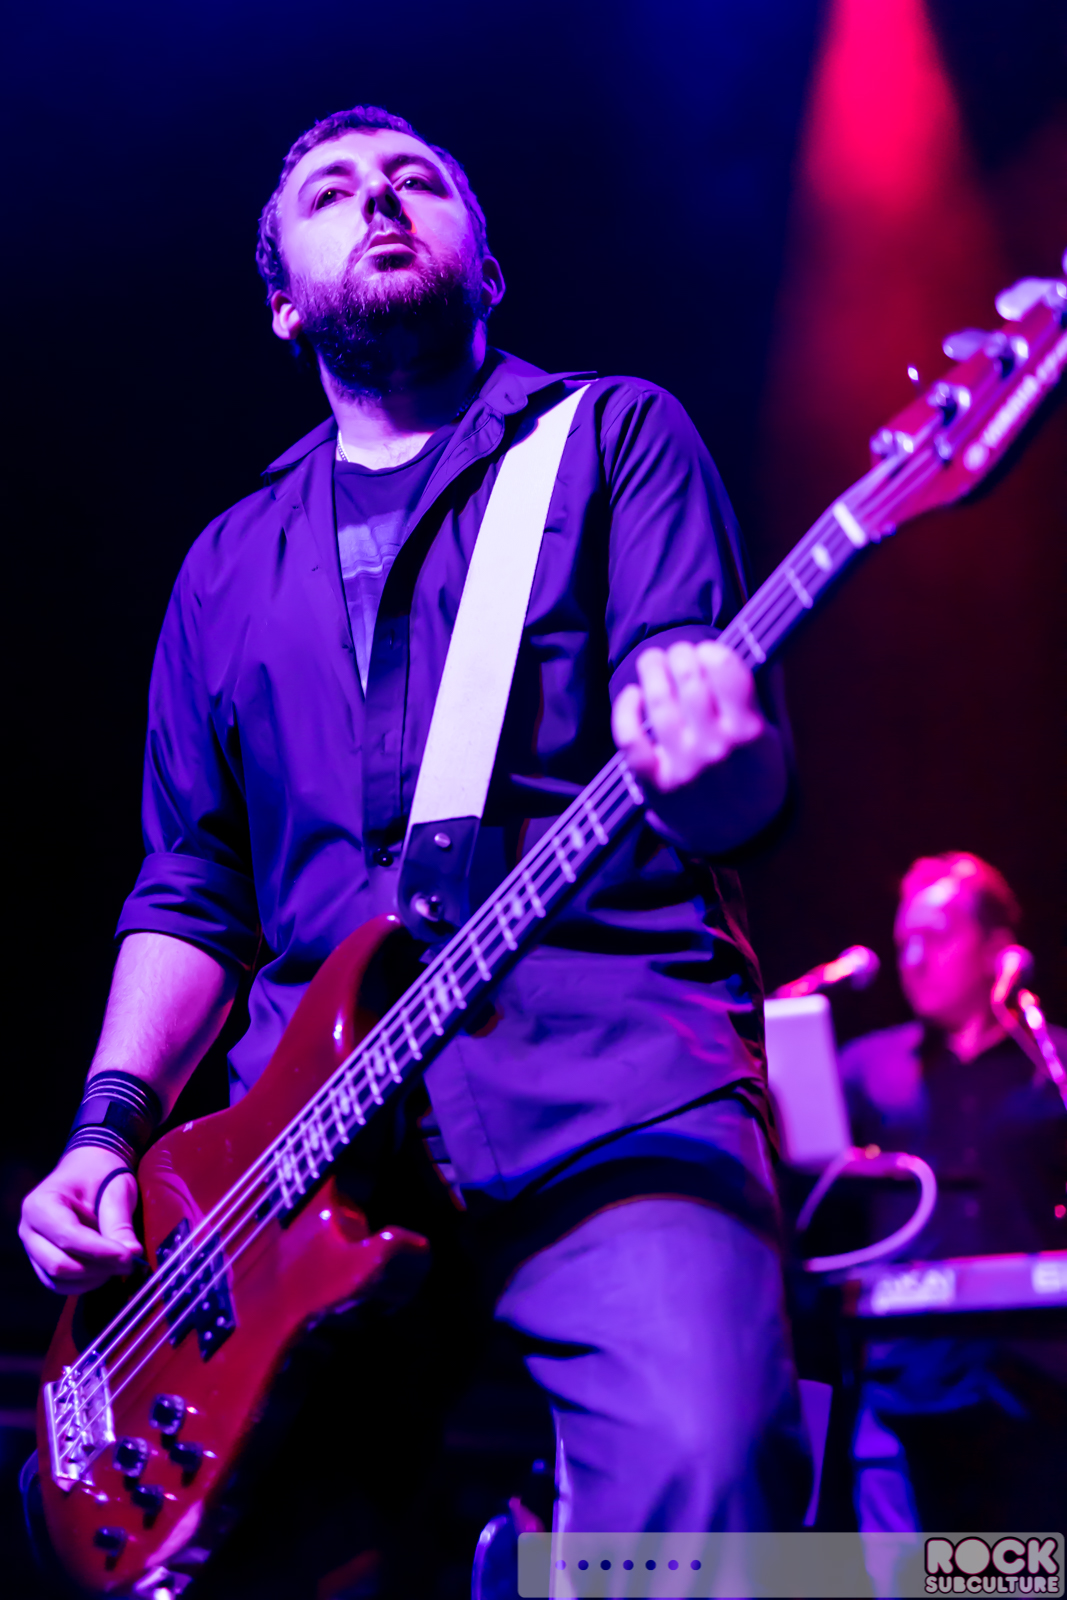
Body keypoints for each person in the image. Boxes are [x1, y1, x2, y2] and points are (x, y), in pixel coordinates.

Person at [19, 105, 810, 1596]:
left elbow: (714, 786)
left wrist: (723, 754)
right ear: (282, 302)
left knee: (705, 1473)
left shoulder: (611, 438)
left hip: (607, 1088)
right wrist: (107, 1129)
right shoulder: (225, 563)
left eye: (414, 181)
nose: (377, 199)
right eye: (330, 192)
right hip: (300, 1164)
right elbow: (192, 888)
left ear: (485, 265)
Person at [839, 852, 1067, 1542]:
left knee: (1005, 1578)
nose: (913, 958)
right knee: (903, 1578)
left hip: (1034, 1386)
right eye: (904, 939)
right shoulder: (866, 1069)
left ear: (998, 948)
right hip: (901, 1380)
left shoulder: (1052, 1066)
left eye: (935, 936)